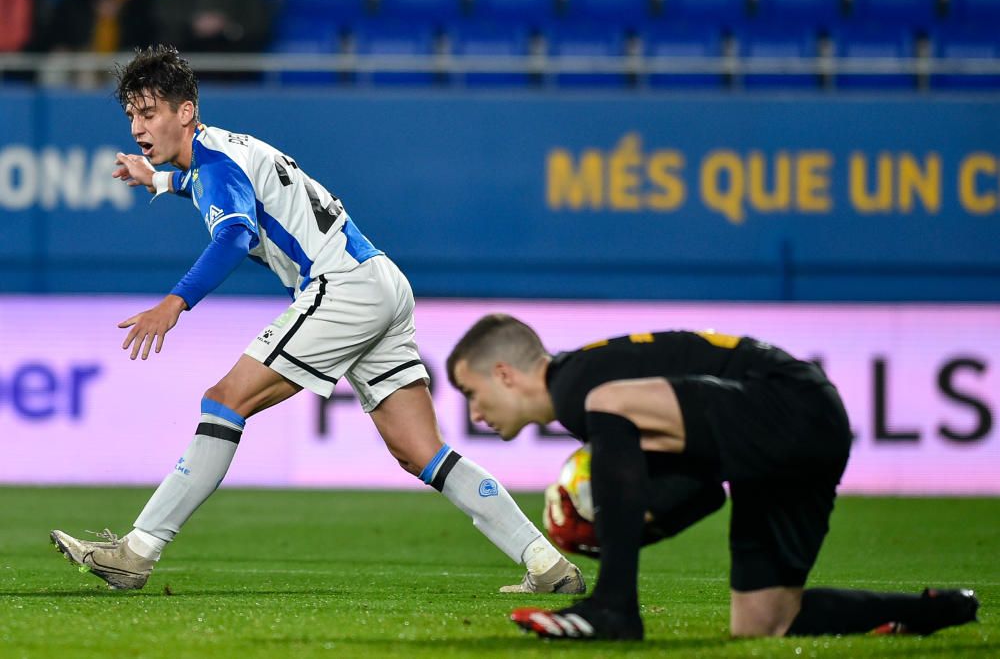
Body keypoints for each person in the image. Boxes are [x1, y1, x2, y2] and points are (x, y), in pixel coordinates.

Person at [49, 46, 584, 598]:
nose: (138, 127)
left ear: (185, 112)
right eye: (132, 115)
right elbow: (207, 187)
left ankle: (138, 551)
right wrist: (157, 181)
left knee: (226, 399)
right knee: (420, 450)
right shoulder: (219, 153)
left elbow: (231, 234)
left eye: (149, 113)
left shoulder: (215, 165)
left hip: (342, 287)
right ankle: (545, 562)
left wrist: (176, 301)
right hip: (380, 280)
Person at [446, 313, 980, 641]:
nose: (474, 414)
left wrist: (616, 523)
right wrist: (629, 522)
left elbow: (675, 460)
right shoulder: (593, 395)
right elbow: (702, 493)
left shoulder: (576, 386)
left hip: (787, 402)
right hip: (802, 422)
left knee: (606, 402)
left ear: (504, 374)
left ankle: (613, 609)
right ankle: (933, 610)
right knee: (766, 622)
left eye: (471, 394)